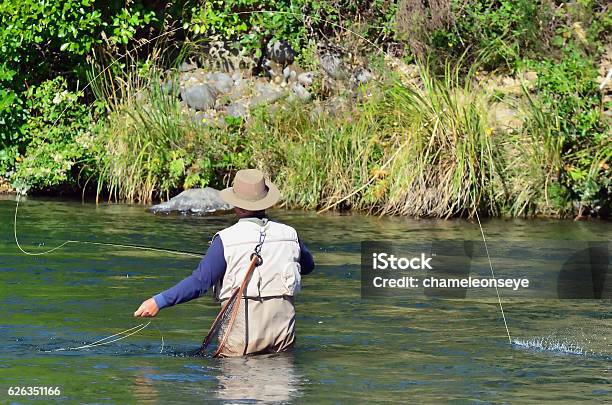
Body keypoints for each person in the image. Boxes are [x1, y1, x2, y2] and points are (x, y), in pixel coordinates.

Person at [133, 169, 315, 356]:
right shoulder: (290, 234)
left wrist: (158, 301)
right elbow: (308, 266)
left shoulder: (225, 240)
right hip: (282, 339)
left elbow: (199, 283)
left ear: (237, 205)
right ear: (265, 201)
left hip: (240, 343)